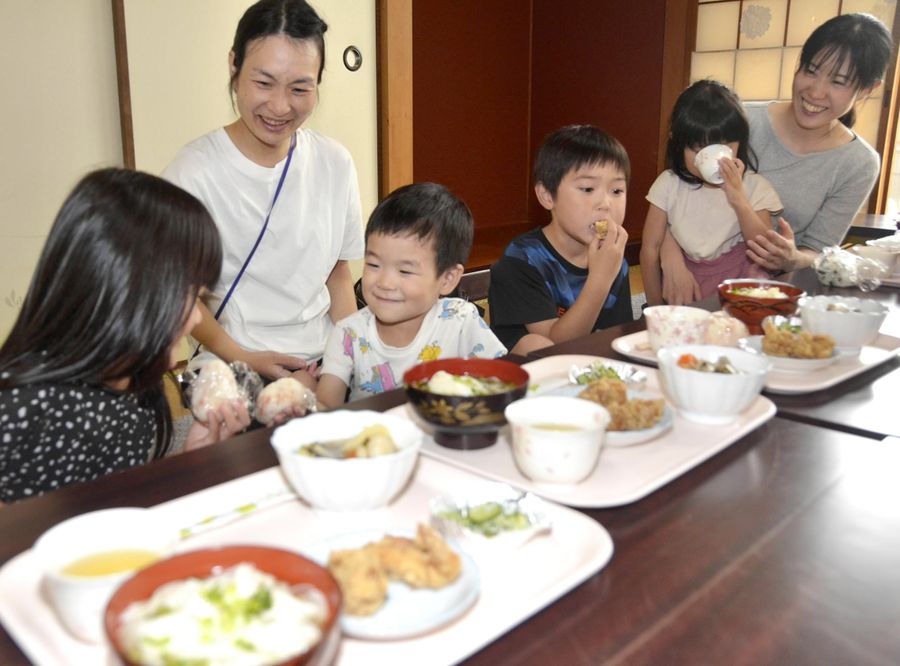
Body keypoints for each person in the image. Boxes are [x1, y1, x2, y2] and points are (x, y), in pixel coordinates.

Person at [0, 169, 251, 504]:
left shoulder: (134, 384)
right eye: (189, 295)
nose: (194, 318)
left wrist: (192, 459)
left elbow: (116, 507)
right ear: (128, 292)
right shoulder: (25, 412)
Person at [163, 0, 363, 385]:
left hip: (323, 358)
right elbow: (180, 296)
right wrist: (244, 357)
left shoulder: (334, 162)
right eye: (263, 82)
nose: (280, 106)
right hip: (230, 363)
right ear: (234, 66)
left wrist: (352, 356)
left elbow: (338, 276)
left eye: (300, 87)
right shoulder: (192, 173)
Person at [659, 12, 894, 304]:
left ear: (867, 90)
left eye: (838, 81)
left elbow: (818, 251)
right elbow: (676, 186)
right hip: (691, 273)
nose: (816, 91)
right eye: (810, 70)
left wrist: (793, 258)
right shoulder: (744, 120)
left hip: (771, 293)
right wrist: (670, 258)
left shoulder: (858, 163)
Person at [316, 183, 506, 407]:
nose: (385, 282)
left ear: (447, 278)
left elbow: (499, 383)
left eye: (405, 271)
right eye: (374, 264)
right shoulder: (350, 334)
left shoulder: (460, 320)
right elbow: (327, 407)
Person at [489, 125, 632, 355]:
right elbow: (555, 348)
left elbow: (616, 338)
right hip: (533, 375)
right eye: (587, 189)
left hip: (587, 367)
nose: (605, 203)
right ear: (547, 196)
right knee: (535, 343)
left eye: (617, 191)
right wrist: (601, 278)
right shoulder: (522, 260)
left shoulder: (613, 256)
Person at [640, 80, 783, 304]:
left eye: (723, 146)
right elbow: (650, 248)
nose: (709, 157)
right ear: (677, 143)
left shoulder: (754, 186)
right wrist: (654, 308)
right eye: (697, 148)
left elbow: (763, 249)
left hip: (741, 282)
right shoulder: (668, 184)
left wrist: (738, 199)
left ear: (739, 143)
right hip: (689, 283)